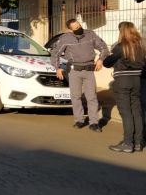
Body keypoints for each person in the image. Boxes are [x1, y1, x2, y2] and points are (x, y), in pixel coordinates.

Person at [50, 18, 109, 132]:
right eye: (76, 28)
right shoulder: (65, 38)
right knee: (76, 96)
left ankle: (94, 122)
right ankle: (79, 120)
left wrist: (101, 59)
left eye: (79, 26)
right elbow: (55, 53)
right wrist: (57, 68)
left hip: (89, 70)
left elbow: (103, 47)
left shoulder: (90, 34)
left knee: (91, 96)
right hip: (74, 70)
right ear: (70, 30)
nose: (79, 28)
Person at [103, 22, 145, 153]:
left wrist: (108, 59)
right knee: (137, 111)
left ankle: (127, 143)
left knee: (126, 112)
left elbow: (107, 62)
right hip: (137, 80)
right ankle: (138, 143)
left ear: (122, 31)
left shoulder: (121, 46)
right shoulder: (142, 45)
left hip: (123, 81)